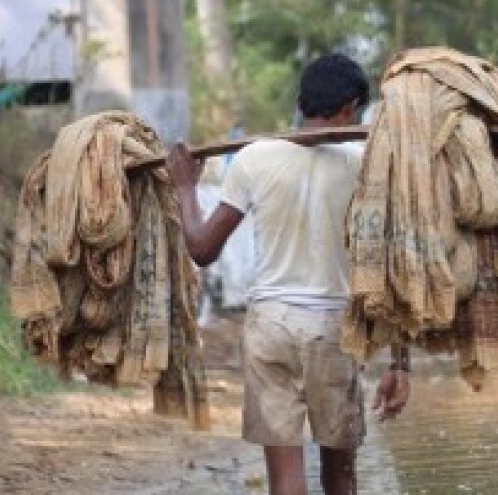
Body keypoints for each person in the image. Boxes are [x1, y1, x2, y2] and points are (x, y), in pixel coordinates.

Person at [166, 53, 411, 495]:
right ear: (351, 108)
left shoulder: (253, 159)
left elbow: (201, 248)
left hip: (270, 328)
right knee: (340, 477)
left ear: (300, 103)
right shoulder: (366, 166)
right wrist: (399, 363)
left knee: (285, 480)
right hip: (332, 330)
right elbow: (391, 270)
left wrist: (185, 188)